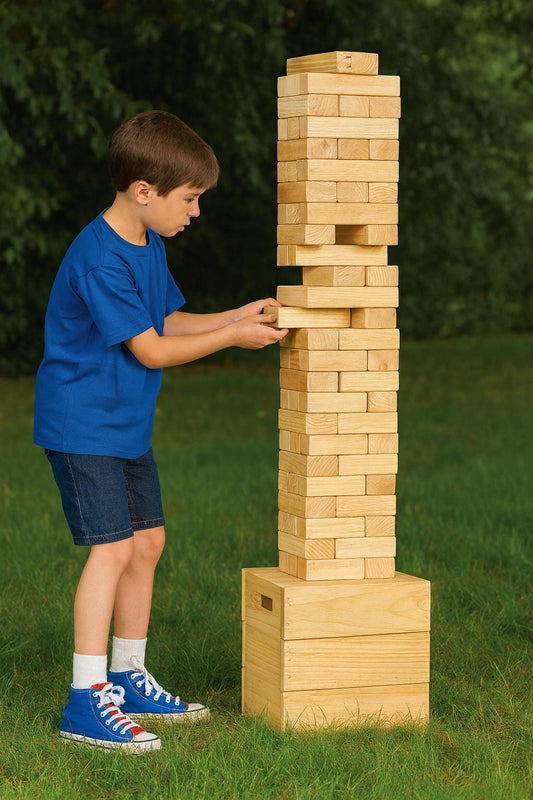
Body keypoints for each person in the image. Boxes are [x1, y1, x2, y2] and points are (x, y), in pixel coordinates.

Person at [33, 110, 287, 753]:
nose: (195, 212)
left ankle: (127, 674)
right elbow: (149, 350)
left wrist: (236, 313)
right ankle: (85, 700)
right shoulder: (98, 258)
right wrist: (232, 338)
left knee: (147, 543)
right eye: (191, 198)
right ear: (145, 191)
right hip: (82, 424)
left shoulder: (150, 245)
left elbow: (167, 322)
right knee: (112, 550)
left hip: (123, 426)